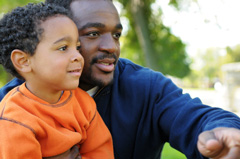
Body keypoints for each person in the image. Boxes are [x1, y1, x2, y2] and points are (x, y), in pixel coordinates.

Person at [1, 0, 240, 158]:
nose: (111, 47)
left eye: (116, 34)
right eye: (93, 34)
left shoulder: (146, 88)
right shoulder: (9, 108)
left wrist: (222, 132)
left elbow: (198, 117)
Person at [0, 2, 114, 159]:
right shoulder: (15, 118)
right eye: (63, 48)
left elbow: (101, 152)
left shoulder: (83, 103)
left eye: (77, 47)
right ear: (23, 61)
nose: (78, 57)